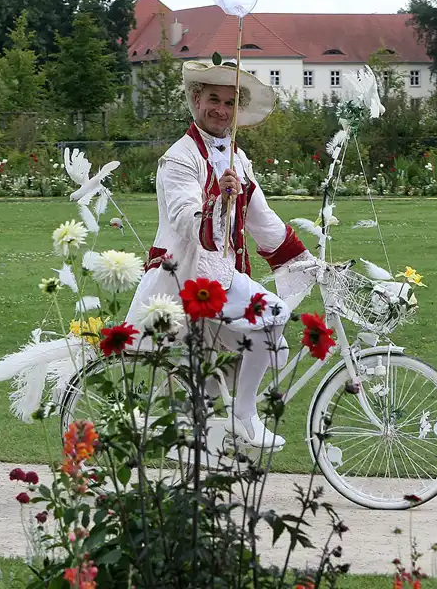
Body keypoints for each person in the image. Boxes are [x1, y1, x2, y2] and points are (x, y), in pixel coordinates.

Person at [125, 60, 315, 449]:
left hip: (222, 275)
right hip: (188, 277)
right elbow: (187, 220)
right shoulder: (180, 158)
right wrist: (218, 200)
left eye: (230, 103)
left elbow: (262, 221)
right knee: (274, 316)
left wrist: (308, 263)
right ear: (196, 100)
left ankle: (200, 438)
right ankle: (244, 415)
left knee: (260, 354)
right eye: (213, 99)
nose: (221, 110)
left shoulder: (236, 159)